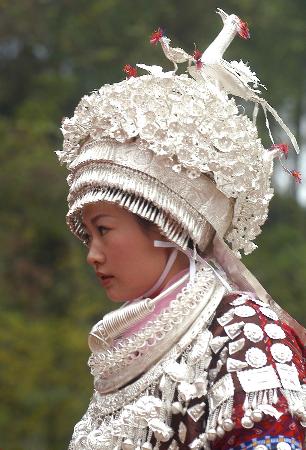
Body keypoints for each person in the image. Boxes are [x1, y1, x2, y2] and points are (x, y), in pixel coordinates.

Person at [57, 8, 306, 450]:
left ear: (167, 225)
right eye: (87, 236)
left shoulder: (243, 331)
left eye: (104, 229)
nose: (92, 254)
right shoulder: (120, 355)